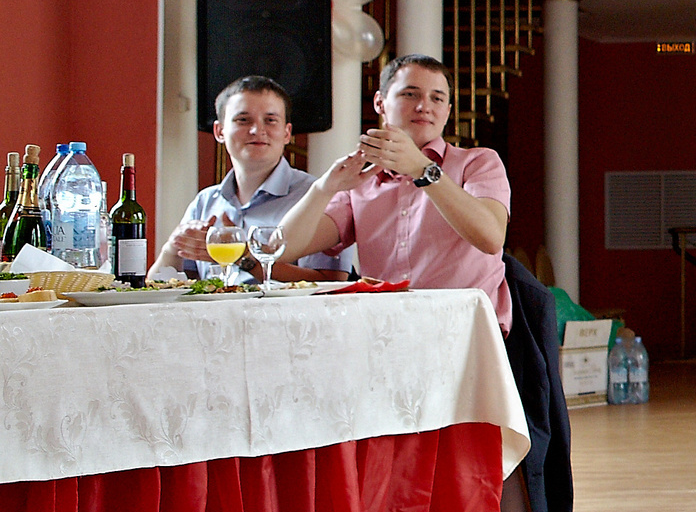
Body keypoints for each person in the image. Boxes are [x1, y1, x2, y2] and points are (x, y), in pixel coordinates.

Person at [274, 54, 514, 330]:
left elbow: (491, 238)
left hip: (465, 331)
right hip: (388, 331)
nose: (424, 106)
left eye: (437, 98)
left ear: (448, 111)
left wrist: (423, 170)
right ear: (380, 103)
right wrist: (322, 189)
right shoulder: (362, 180)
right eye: (410, 94)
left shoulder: (478, 162)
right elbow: (282, 248)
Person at [153, 75, 349, 282]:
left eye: (270, 121)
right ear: (219, 131)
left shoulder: (317, 195)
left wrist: (243, 257)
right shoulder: (206, 201)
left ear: (286, 133)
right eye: (243, 120)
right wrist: (172, 248)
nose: (257, 130)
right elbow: (164, 287)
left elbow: (331, 283)